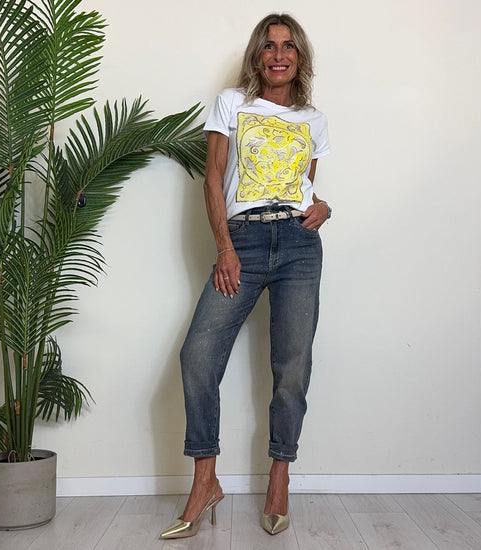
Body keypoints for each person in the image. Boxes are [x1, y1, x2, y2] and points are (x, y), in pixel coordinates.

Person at [160, 12, 331, 539]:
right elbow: (213, 179)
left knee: (292, 366)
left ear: (300, 57)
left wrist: (322, 206)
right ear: (258, 55)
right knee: (198, 355)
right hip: (244, 241)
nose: (279, 55)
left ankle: (279, 478)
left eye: (289, 46)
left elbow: (301, 187)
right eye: (269, 46)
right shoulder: (231, 103)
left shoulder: (314, 118)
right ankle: (205, 482)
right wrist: (225, 247)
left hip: (299, 246)